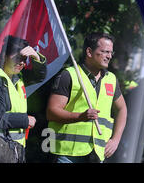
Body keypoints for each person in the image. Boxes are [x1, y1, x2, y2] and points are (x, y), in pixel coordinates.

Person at [46, 32, 127, 163]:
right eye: (105, 51)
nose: (109, 56)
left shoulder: (111, 79)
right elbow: (51, 112)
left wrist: (115, 140)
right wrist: (80, 117)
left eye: (111, 53)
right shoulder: (69, 75)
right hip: (67, 153)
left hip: (97, 154)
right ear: (89, 52)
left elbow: (122, 109)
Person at [0, 35, 46, 162]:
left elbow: (39, 76)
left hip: (11, 149)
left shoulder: (17, 76)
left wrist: (36, 57)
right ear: (4, 56)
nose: (21, 63)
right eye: (18, 58)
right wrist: (24, 120)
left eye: (25, 59)